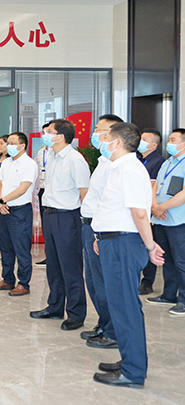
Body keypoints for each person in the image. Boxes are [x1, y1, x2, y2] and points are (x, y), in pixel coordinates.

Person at [91, 122, 164, 388]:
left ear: (118, 142)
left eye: (106, 137)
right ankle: (129, 360)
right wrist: (101, 237)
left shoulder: (130, 169)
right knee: (120, 306)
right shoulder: (120, 168)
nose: (101, 141)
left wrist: (150, 245)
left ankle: (133, 372)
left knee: (125, 307)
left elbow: (139, 213)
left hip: (124, 243)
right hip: (114, 241)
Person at [29, 119, 90, 331]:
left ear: (60, 136)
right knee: (53, 265)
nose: (45, 134)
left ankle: (76, 313)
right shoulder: (52, 157)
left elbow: (84, 192)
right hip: (50, 215)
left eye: (50, 131)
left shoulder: (75, 159)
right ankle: (55, 307)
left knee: (70, 267)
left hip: (68, 218)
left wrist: (84, 222)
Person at [78, 114, 124, 349]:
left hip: (100, 230)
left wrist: (97, 233)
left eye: (100, 130)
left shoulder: (117, 166)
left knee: (105, 282)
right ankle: (104, 324)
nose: (95, 134)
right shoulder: (103, 161)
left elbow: (109, 202)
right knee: (94, 282)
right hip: (89, 225)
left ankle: (113, 331)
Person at [0, 132, 38, 296]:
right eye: (7, 142)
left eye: (11, 143)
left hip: (19, 211)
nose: (8, 145)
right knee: (5, 247)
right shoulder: (6, 162)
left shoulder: (29, 164)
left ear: (22, 146)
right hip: (4, 210)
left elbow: (23, 189)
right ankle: (8, 279)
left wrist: (3, 200)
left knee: (21, 248)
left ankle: (24, 283)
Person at [147, 128, 185, 315]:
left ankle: (183, 300)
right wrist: (155, 206)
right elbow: (155, 186)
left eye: (173, 139)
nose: (169, 143)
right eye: (169, 139)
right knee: (167, 259)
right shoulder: (167, 162)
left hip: (178, 220)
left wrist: (163, 207)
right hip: (161, 219)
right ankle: (169, 294)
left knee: (181, 261)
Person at [138, 128, 167, 295]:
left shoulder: (158, 161)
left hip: (149, 211)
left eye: (144, 139)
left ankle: (147, 282)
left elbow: (153, 187)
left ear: (154, 145)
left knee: (149, 244)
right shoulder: (139, 159)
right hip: (138, 209)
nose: (140, 141)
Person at [33, 122, 54, 266]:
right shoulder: (41, 153)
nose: (45, 135)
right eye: (43, 133)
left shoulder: (56, 154)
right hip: (42, 190)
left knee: (53, 225)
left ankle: (54, 257)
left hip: (53, 191)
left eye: (48, 132)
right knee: (45, 224)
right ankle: (48, 255)